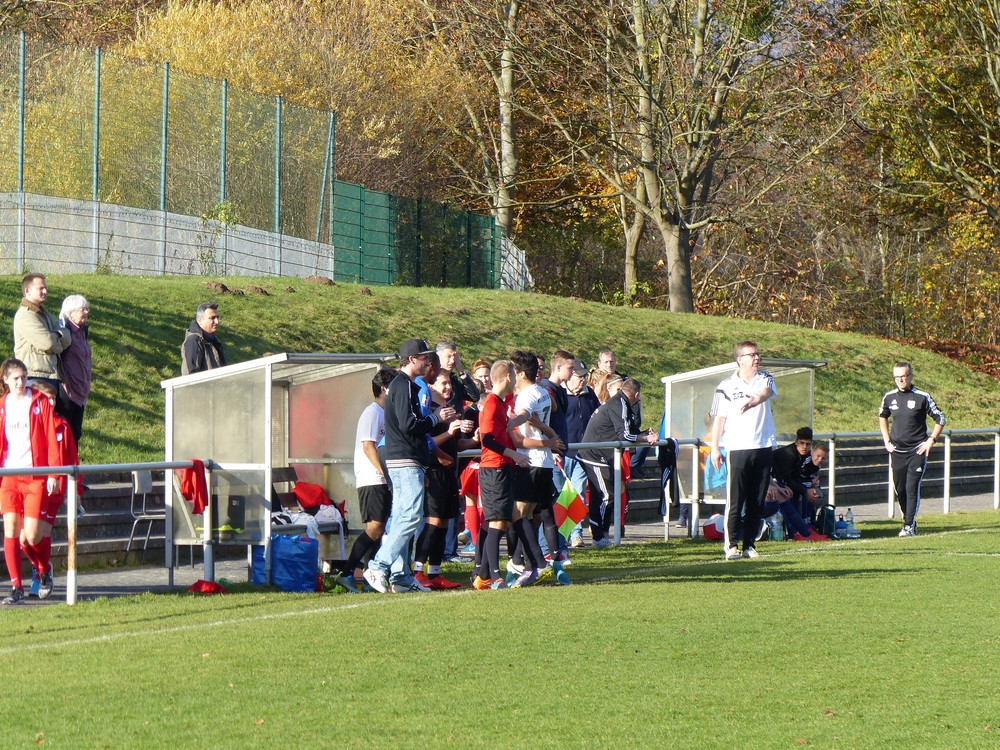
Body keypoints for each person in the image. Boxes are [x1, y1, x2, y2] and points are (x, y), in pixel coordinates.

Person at [363, 339, 457, 594]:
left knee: (402, 517)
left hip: (406, 458)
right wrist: (436, 418)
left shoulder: (407, 385)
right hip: (403, 458)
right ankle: (378, 566)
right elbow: (409, 424)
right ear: (412, 359)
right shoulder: (403, 384)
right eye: (424, 357)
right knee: (411, 516)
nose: (429, 362)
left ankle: (400, 576)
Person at [0, 358, 60, 605]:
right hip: (8, 476)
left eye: (24, 377)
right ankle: (16, 588)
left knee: (33, 535)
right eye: (16, 378)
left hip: (34, 476)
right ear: (5, 380)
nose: (21, 382)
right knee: (11, 530)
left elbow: (51, 438)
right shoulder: (2, 405)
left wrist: (54, 473)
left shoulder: (39, 401)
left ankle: (44, 569)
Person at [710, 340, 777, 561]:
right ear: (740, 359)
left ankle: (750, 544)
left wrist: (756, 400)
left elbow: (767, 392)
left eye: (758, 354)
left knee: (756, 500)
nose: (757, 358)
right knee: (736, 500)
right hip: (737, 448)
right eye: (752, 355)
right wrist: (714, 448)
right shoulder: (726, 386)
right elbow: (719, 419)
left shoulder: (765, 378)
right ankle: (731, 545)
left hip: (763, 446)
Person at [335, 367, 397, 594]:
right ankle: (346, 574)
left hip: (381, 478)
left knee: (379, 527)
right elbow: (368, 446)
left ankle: (370, 576)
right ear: (385, 389)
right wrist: (385, 473)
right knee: (375, 527)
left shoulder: (386, 413)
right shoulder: (372, 413)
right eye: (396, 386)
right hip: (372, 478)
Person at [578, 378, 657, 547]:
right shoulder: (619, 403)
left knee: (607, 495)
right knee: (606, 495)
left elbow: (629, 430)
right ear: (637, 394)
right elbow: (624, 435)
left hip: (601, 454)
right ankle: (598, 536)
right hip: (592, 454)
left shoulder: (623, 403)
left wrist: (644, 433)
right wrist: (644, 438)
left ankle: (602, 534)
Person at [471, 360, 529, 590]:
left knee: (497, 522)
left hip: (501, 468)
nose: (516, 379)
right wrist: (513, 454)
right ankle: (494, 577)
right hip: (493, 469)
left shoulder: (501, 402)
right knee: (497, 522)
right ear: (507, 377)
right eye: (514, 374)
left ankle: (483, 574)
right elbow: (486, 439)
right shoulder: (492, 403)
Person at [24, 381, 82, 596]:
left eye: (53, 398)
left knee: (41, 535)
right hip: (30, 487)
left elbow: (72, 460)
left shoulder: (62, 426)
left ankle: (40, 576)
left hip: (53, 491)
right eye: (46, 398)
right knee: (24, 540)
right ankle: (41, 568)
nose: (51, 402)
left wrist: (76, 490)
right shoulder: (27, 423)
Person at [878, 361, 946, 536]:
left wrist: (931, 440)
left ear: (911, 376)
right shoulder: (889, 397)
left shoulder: (922, 397)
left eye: (904, 376)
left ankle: (908, 526)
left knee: (911, 487)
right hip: (897, 451)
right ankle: (909, 522)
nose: (900, 380)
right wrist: (886, 440)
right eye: (897, 377)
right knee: (900, 489)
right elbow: (882, 416)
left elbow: (940, 418)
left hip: (917, 450)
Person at [12, 274, 71, 415]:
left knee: (51, 421)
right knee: (38, 421)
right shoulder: (25, 315)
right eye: (41, 288)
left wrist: (56, 335)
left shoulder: (43, 313)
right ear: (28, 291)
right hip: (35, 377)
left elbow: (67, 335)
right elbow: (48, 344)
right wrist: (58, 340)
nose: (45, 291)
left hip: (50, 375)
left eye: (45, 288)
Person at [564, 359, 600, 547]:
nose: (583, 380)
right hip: (562, 453)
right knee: (562, 495)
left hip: (583, 453)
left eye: (585, 376)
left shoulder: (589, 394)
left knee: (578, 494)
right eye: (579, 376)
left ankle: (576, 534)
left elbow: (597, 417)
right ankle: (561, 534)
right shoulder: (560, 394)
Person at [58, 294, 92, 444]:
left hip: (81, 392)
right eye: (82, 309)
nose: (86, 312)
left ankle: (73, 460)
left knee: (75, 434)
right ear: (70, 312)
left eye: (87, 309)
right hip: (67, 391)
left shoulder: (83, 332)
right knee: (63, 434)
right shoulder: (63, 331)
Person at [181, 302, 226, 375]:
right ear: (200, 320)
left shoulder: (212, 340)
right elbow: (190, 376)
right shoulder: (194, 341)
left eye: (217, 317)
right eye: (212, 318)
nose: (217, 322)